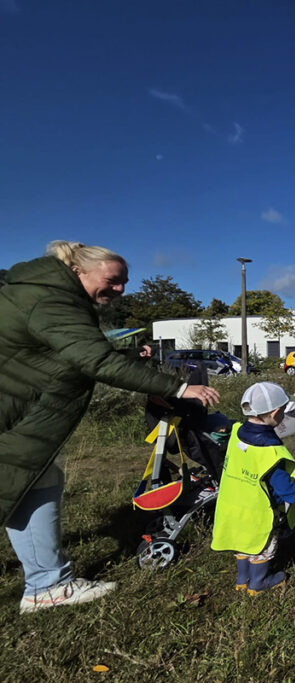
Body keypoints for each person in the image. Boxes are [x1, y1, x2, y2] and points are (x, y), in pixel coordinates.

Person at [0, 240, 219, 614]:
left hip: (17, 417)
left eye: (124, 282)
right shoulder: (52, 300)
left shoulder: (47, 295)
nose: (120, 290)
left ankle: (47, 583)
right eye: (113, 280)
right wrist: (180, 387)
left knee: (37, 483)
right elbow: (94, 361)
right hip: (14, 417)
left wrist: (131, 356)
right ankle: (47, 584)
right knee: (31, 484)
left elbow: (66, 353)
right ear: (77, 271)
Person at [210, 382, 295, 594]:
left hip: (233, 504)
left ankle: (242, 579)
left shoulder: (236, 431)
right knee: (263, 546)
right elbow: (281, 485)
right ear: (275, 412)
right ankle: (258, 583)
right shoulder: (271, 451)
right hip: (258, 510)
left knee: (242, 544)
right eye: (282, 412)